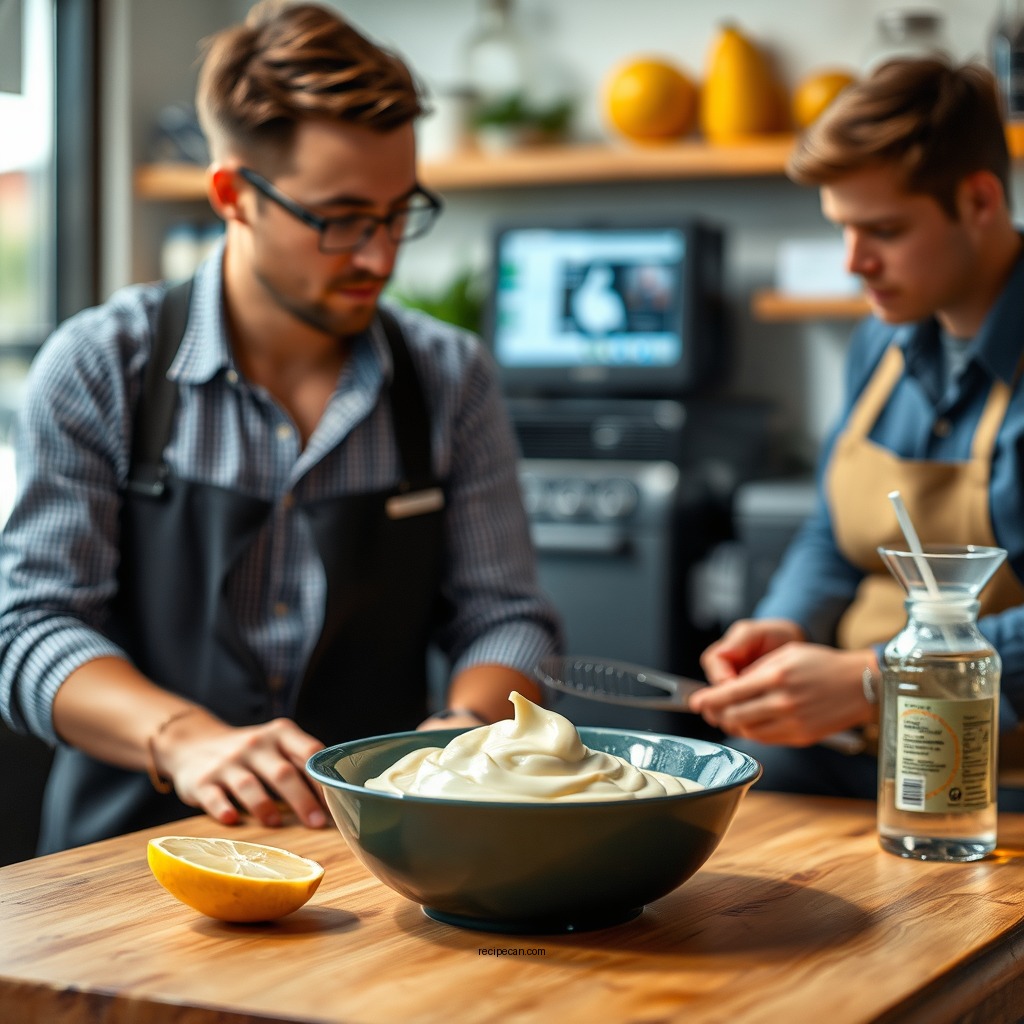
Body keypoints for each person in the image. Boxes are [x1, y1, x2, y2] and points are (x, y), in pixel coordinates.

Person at [0, 1, 561, 853]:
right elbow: (30, 628)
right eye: (339, 219)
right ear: (234, 195)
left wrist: (459, 735)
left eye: (398, 212)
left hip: (374, 858)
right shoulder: (101, 367)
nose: (379, 256)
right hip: (122, 855)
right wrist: (186, 740)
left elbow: (507, 615)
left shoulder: (450, 379)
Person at [691, 55, 1024, 805]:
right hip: (856, 754)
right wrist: (784, 621)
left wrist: (880, 675)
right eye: (842, 228)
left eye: (883, 230)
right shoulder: (883, 340)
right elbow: (831, 534)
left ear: (978, 200)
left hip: (997, 777)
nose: (854, 262)